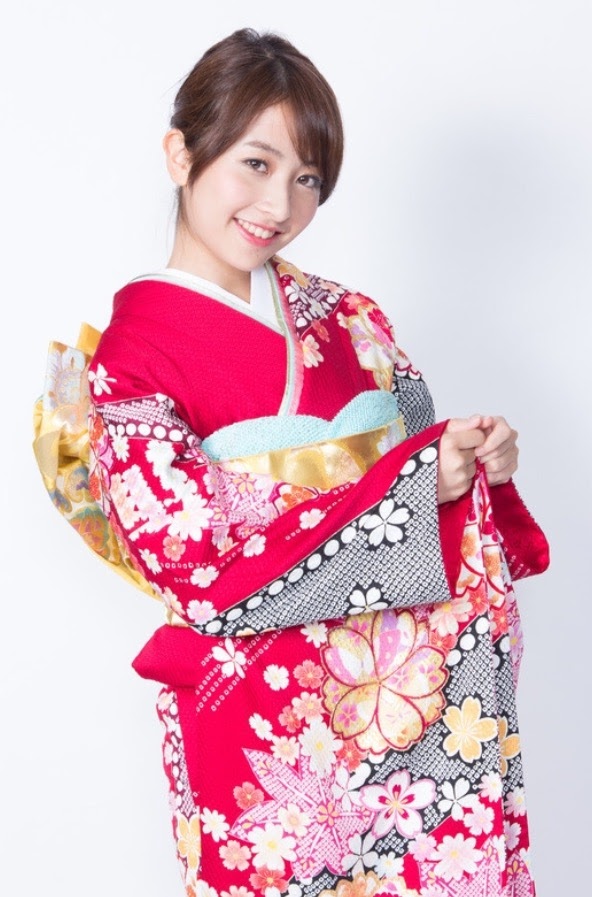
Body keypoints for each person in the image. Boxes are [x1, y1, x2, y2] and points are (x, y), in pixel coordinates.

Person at [34, 27, 549, 897]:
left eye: (308, 178)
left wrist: (471, 461)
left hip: (407, 709)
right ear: (181, 153)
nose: (279, 203)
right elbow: (192, 564)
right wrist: (409, 493)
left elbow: (418, 464)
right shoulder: (132, 360)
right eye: (256, 163)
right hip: (264, 735)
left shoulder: (348, 317)